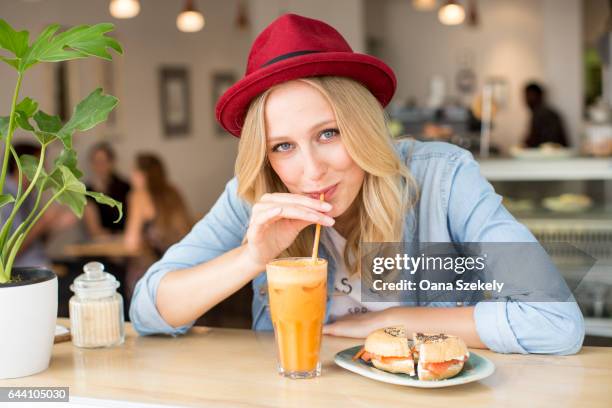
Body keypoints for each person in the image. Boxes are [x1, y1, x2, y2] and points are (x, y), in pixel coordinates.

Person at [130, 14, 584, 355]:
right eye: (282, 146)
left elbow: (554, 320)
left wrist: (392, 321)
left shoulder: (443, 177)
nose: (311, 171)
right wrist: (252, 256)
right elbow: (148, 312)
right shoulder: (252, 197)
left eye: (329, 134)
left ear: (363, 126)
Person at [123, 153, 192, 298]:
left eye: (133, 170)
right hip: (183, 267)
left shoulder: (138, 196)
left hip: (153, 273)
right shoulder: (173, 192)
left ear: (142, 175)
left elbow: (131, 243)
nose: (131, 175)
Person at [0, 142, 75, 267]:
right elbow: (5, 256)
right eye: (39, 164)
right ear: (20, 165)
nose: (44, 170)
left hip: (41, 264)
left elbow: (36, 242)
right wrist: (43, 222)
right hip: (23, 274)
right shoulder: (4, 197)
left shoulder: (30, 196)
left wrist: (53, 227)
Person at [83, 142, 131, 236]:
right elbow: (94, 230)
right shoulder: (87, 191)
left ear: (111, 162)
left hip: (126, 238)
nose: (100, 166)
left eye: (103, 161)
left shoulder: (125, 187)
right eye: (96, 162)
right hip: (101, 242)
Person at [523, 82, 569, 148]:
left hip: (549, 155)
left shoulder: (542, 114)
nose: (527, 99)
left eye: (529, 95)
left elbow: (537, 140)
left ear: (539, 96)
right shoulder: (546, 112)